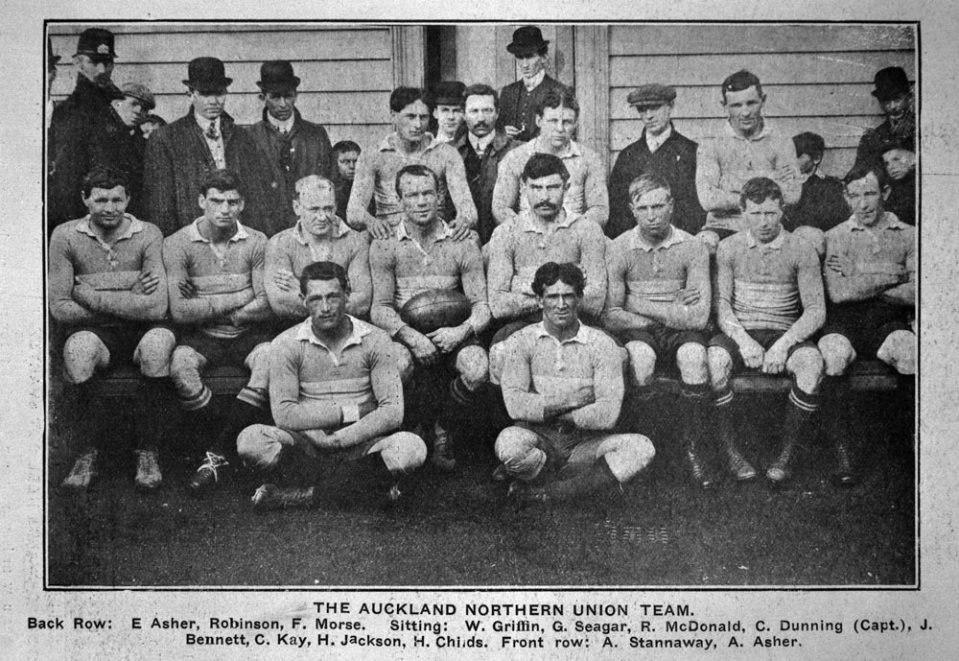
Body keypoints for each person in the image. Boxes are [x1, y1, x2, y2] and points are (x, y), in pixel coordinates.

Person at [237, 262, 427, 509]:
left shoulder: (376, 339)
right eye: (315, 299)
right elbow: (284, 414)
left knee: (412, 449)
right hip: (308, 444)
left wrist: (341, 438)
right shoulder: (285, 343)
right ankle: (364, 490)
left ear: (347, 295)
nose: (325, 308)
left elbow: (392, 412)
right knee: (250, 441)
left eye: (333, 297)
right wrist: (352, 412)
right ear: (302, 299)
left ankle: (299, 497)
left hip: (362, 442)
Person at [50, 166, 175, 491]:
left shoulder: (148, 233)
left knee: (159, 345)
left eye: (117, 199)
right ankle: (85, 454)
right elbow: (60, 307)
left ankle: (148, 452)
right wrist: (129, 295)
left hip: (143, 331)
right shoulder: (65, 236)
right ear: (85, 200)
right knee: (78, 351)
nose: (109, 207)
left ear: (128, 199)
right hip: (97, 334)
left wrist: (89, 295)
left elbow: (156, 306)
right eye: (100, 199)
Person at [495, 262, 655, 504]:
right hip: (542, 440)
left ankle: (546, 494)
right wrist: (572, 400)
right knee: (509, 443)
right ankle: (583, 487)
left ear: (579, 298)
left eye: (568, 296)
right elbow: (516, 406)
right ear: (539, 300)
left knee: (642, 448)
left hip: (585, 443)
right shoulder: (521, 341)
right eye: (552, 296)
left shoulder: (601, 344)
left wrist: (545, 410)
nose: (561, 304)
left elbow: (608, 414)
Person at [369, 164, 490, 471]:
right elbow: (380, 308)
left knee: (477, 368)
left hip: (453, 330)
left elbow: (482, 306)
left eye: (427, 193)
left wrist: (460, 332)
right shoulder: (384, 245)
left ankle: (443, 427)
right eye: (412, 195)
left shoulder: (462, 242)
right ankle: (410, 428)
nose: (421, 201)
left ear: (440, 197)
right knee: (396, 364)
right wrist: (411, 336)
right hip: (406, 333)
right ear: (398, 200)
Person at [707, 177, 825, 484]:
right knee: (715, 361)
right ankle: (731, 452)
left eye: (770, 213)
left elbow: (816, 310)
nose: (763, 222)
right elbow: (721, 304)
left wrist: (784, 345)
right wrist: (744, 341)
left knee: (811, 364)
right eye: (756, 214)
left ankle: (786, 455)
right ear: (742, 213)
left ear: (783, 210)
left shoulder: (801, 249)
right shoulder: (729, 247)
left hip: (784, 330)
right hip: (741, 330)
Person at [163, 169, 274, 494]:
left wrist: (208, 303)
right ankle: (223, 447)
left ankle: (214, 455)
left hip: (247, 333)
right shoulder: (178, 243)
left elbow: (266, 303)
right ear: (201, 201)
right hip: (202, 336)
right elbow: (181, 311)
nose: (224, 209)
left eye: (232, 201)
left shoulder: (256, 241)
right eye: (216, 201)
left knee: (268, 359)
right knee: (181, 365)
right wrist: (241, 298)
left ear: (243, 204)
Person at [603, 174, 712, 487]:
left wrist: (637, 302)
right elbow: (612, 315)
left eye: (658, 206)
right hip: (642, 331)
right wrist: (668, 312)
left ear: (672, 206)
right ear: (632, 210)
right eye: (643, 207)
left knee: (694, 356)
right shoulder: (619, 247)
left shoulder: (692, 247)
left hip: (678, 330)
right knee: (640, 357)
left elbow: (699, 317)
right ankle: (646, 448)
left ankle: (695, 449)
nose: (652, 215)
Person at [817, 164, 916, 485]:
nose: (863, 204)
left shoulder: (909, 235)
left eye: (870, 193)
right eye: (855, 195)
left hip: (886, 322)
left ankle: (907, 448)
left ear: (885, 193)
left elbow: (918, 292)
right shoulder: (836, 236)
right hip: (844, 323)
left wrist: (859, 272)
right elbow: (840, 293)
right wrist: (893, 274)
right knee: (833, 355)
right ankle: (842, 455)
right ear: (846, 198)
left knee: (910, 352)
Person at [486, 153, 607, 381]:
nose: (544, 196)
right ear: (523, 187)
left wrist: (521, 285)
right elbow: (499, 305)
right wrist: (562, 295)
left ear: (567, 186)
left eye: (552, 187)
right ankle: (509, 417)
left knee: (614, 356)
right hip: (522, 324)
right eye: (536, 187)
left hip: (578, 324)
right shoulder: (506, 232)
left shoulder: (586, 229)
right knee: (500, 354)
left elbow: (595, 300)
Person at [143, 57, 272, 236]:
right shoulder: (166, 139)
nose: (213, 101)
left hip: (237, 237)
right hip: (190, 238)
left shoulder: (243, 137)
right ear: (190, 94)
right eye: (205, 94)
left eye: (219, 94)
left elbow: (255, 198)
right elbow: (161, 205)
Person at [347, 87, 477, 241]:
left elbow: (468, 209)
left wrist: (463, 220)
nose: (417, 124)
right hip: (389, 237)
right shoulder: (373, 155)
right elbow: (353, 211)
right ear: (393, 116)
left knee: (471, 239)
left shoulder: (446, 154)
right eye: (410, 116)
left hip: (433, 237)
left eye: (423, 117)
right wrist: (371, 222)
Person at [695, 70, 800, 253]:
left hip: (769, 226)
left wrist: (729, 183)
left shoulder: (781, 141)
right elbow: (708, 199)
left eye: (751, 103)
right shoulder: (711, 142)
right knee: (704, 244)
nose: (745, 112)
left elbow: (792, 194)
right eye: (736, 105)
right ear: (724, 106)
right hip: (723, 227)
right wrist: (771, 177)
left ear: (763, 100)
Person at [492, 88, 608, 229]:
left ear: (576, 124)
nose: (560, 128)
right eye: (553, 121)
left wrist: (572, 232)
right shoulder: (516, 157)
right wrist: (524, 230)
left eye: (567, 122)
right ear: (539, 120)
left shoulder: (589, 159)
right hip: (527, 235)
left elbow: (600, 209)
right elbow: (500, 208)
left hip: (573, 235)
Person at [265, 175, 371, 324]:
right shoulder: (279, 244)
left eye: (328, 209)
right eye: (314, 209)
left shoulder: (355, 241)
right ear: (297, 208)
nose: (322, 217)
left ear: (335, 206)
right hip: (296, 330)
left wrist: (304, 291)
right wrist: (337, 298)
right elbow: (280, 304)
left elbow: (362, 302)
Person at [247, 60, 336, 236]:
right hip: (265, 234)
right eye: (275, 97)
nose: (283, 104)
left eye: (288, 96)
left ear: (296, 95)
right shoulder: (249, 137)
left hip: (312, 233)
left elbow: (332, 184)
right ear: (263, 96)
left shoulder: (316, 135)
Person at [48, 28, 124, 231]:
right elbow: (66, 181)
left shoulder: (112, 106)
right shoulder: (71, 111)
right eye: (93, 62)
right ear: (78, 63)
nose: (101, 70)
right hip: (87, 223)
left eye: (107, 63)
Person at [607, 84, 704, 238]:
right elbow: (617, 211)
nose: (649, 115)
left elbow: (696, 209)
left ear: (670, 106)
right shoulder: (628, 156)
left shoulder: (690, 152)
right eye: (642, 109)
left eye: (655, 107)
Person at [452, 83, 520, 245]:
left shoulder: (518, 151)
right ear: (463, 114)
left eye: (487, 111)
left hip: (507, 241)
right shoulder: (449, 152)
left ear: (497, 113)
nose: (481, 118)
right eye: (474, 111)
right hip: (460, 242)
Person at [87, 82, 155, 221]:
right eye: (133, 104)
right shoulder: (98, 136)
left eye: (144, 108)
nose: (138, 110)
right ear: (117, 103)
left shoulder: (144, 144)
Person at [497, 26, 570, 143]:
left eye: (530, 56)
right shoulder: (508, 91)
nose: (524, 64)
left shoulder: (560, 90)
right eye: (520, 57)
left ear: (544, 57)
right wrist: (502, 133)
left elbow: (566, 132)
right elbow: (497, 129)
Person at [785, 132, 849, 236]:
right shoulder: (786, 184)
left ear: (816, 158)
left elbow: (836, 220)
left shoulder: (831, 186)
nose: (790, 161)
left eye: (797, 156)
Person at [855, 66, 915, 170]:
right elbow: (858, 173)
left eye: (897, 99)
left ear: (909, 97)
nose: (892, 107)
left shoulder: (924, 131)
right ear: (880, 103)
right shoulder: (872, 139)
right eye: (886, 100)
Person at [880, 136, 916, 226]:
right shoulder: (892, 187)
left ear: (913, 158)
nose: (891, 167)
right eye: (887, 163)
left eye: (896, 159)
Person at [332, 140, 361, 220]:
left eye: (355, 161)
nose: (352, 166)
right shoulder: (332, 190)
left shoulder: (366, 186)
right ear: (335, 163)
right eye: (345, 162)